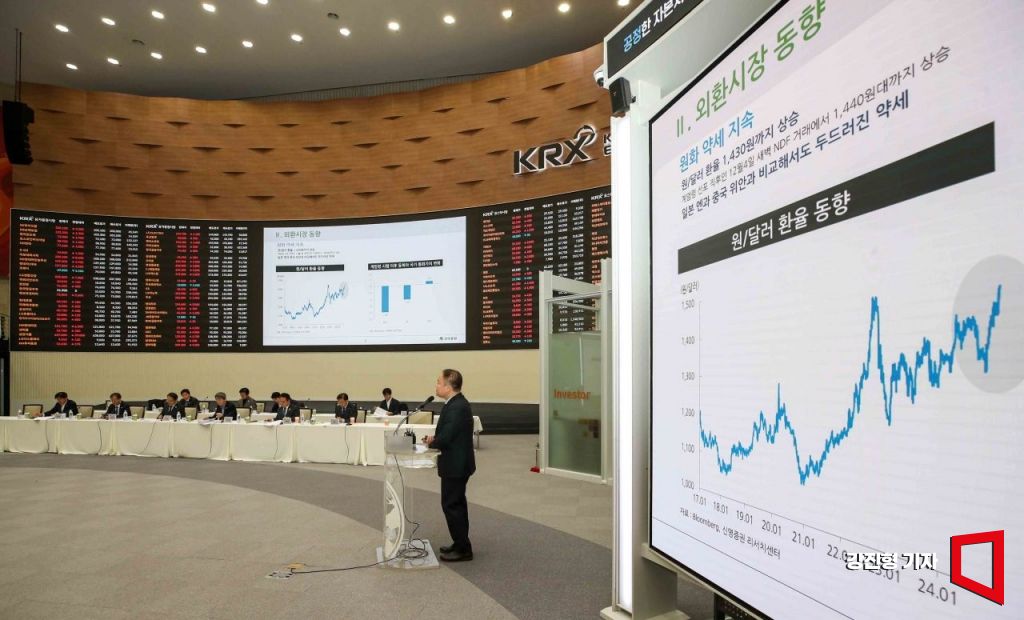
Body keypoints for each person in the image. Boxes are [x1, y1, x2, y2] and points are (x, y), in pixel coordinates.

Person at [423, 369, 476, 562]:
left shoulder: (457, 407)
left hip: (456, 465)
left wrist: (433, 442)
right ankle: (460, 543)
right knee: (456, 504)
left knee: (452, 505)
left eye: (439, 382)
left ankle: (463, 549)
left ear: (448, 386)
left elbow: (447, 437)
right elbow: (449, 433)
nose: (436, 385)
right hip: (456, 463)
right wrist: (435, 438)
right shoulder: (454, 403)